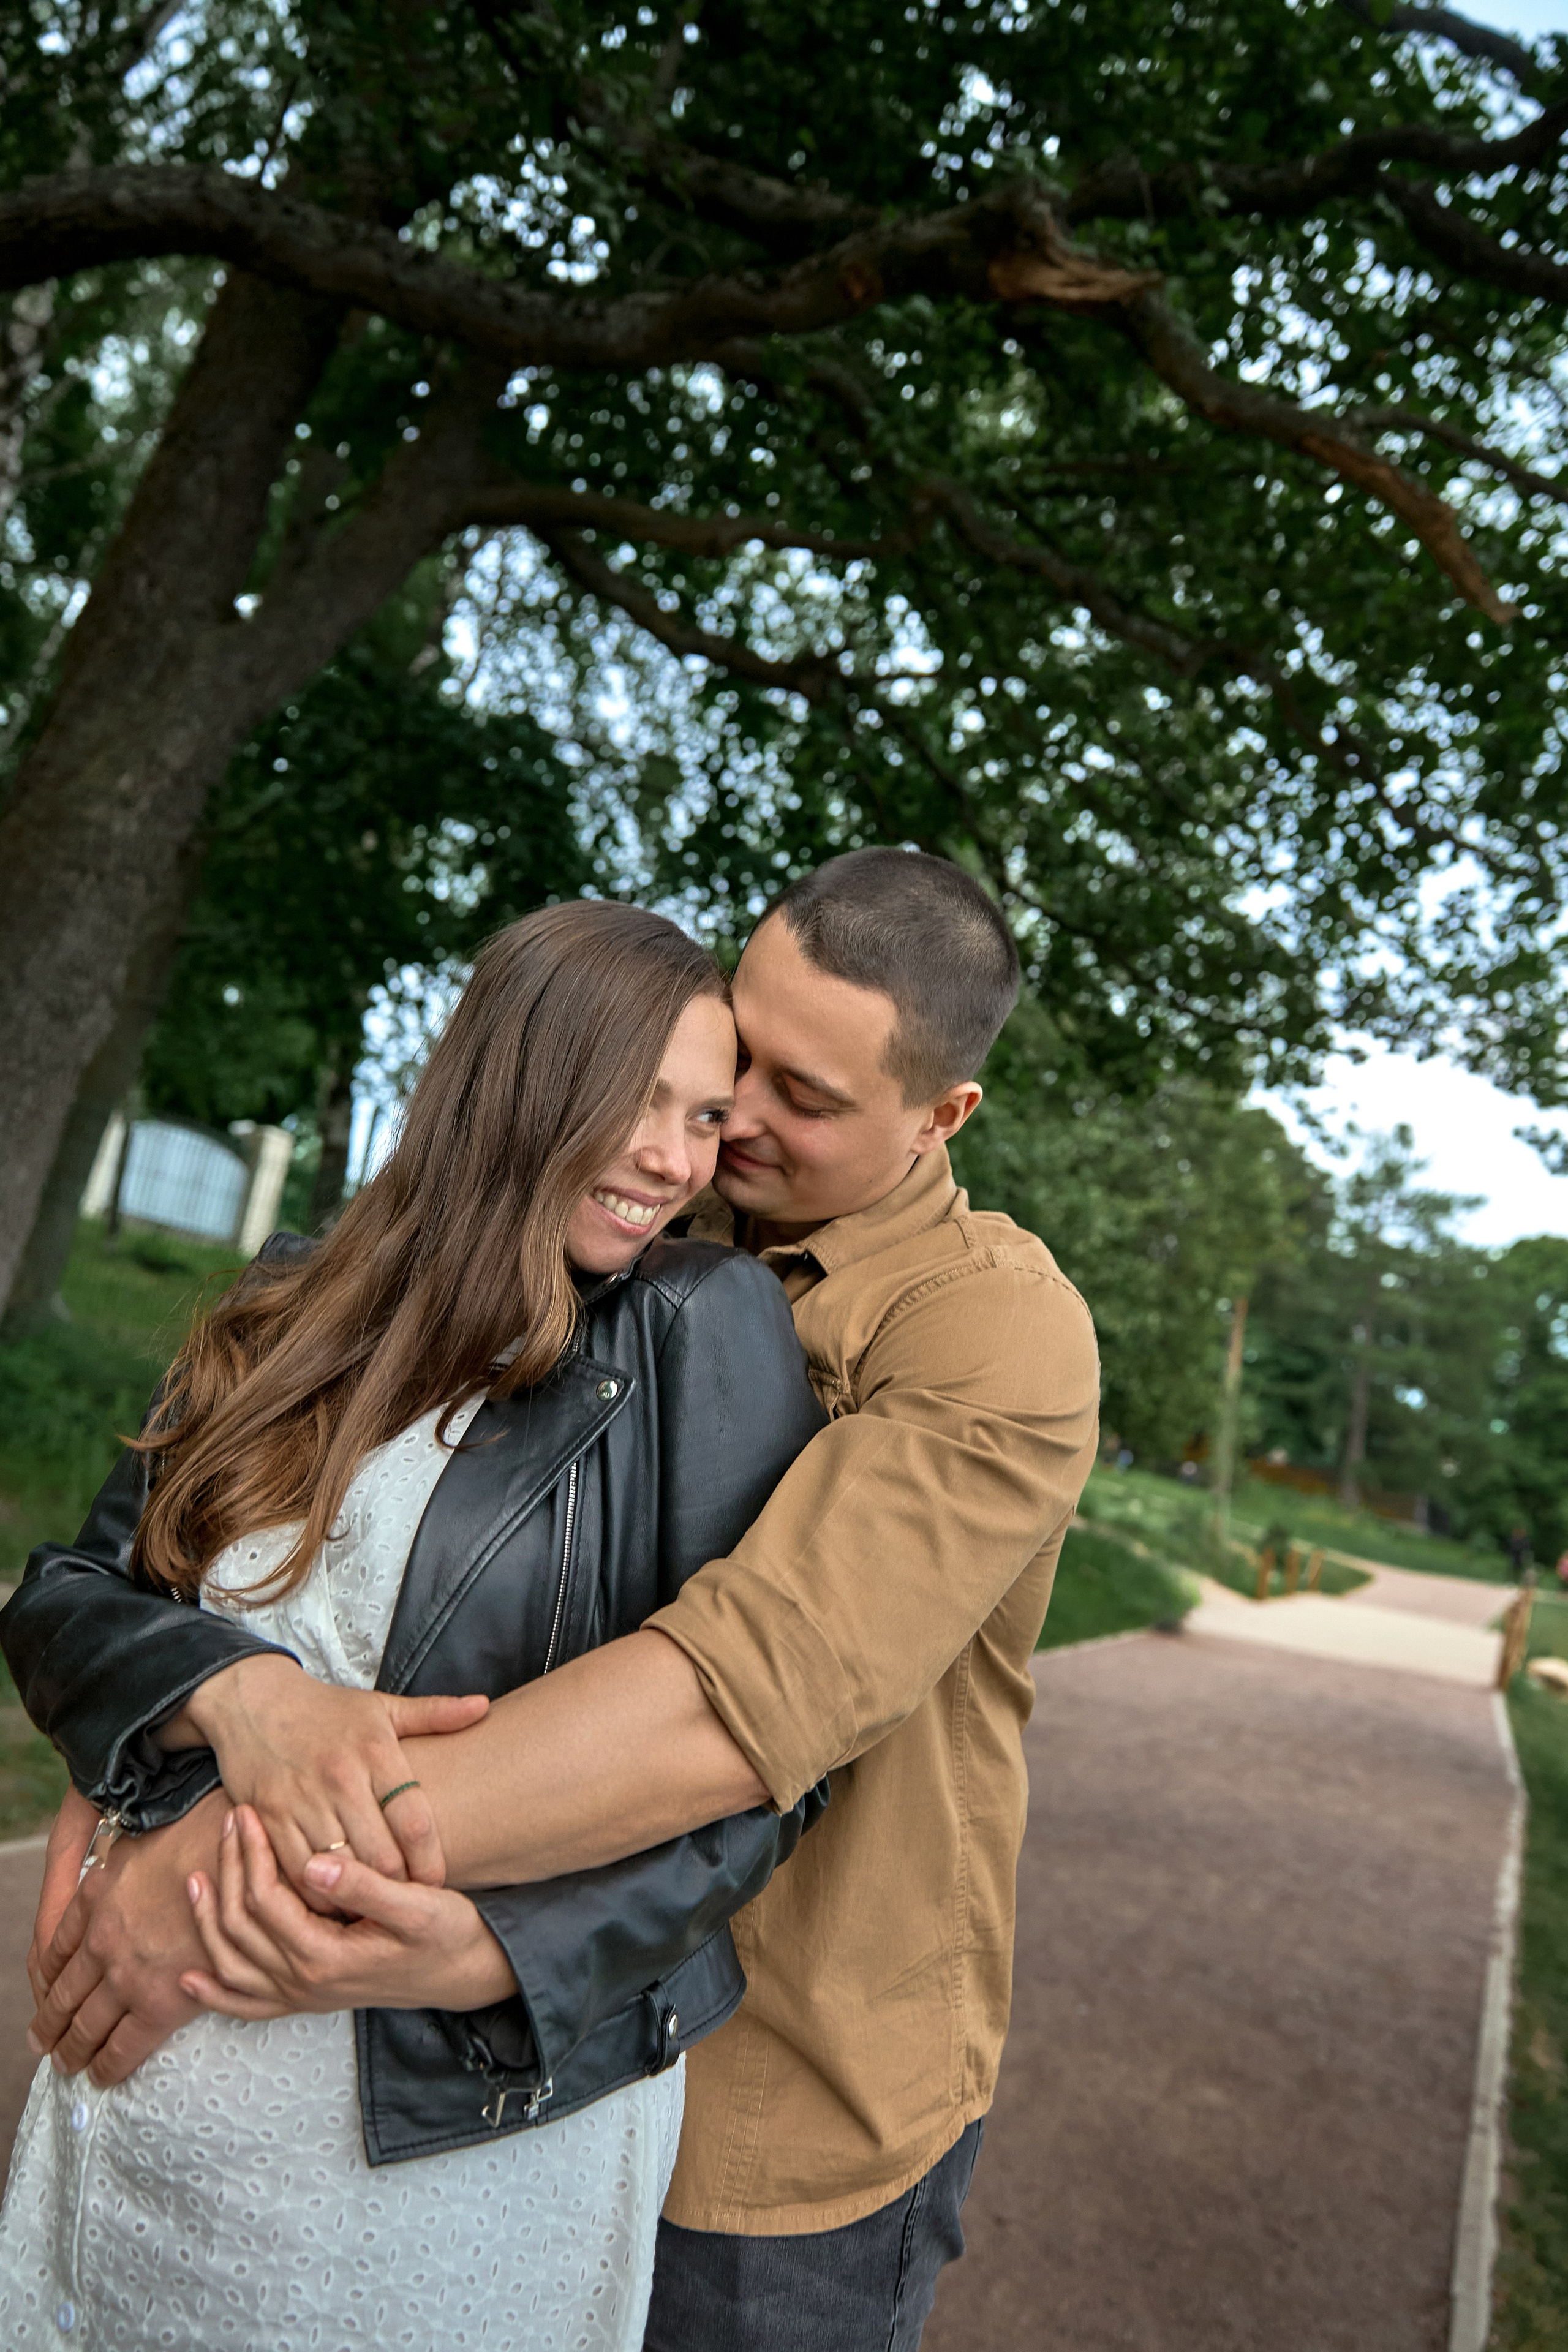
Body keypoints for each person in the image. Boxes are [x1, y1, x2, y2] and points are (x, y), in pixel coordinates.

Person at [17, 848, 1101, 2351]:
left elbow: (722, 1713)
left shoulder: (990, 1332)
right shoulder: (612, 1238)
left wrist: (207, 1868)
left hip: (773, 2103)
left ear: (942, 1116)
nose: (722, 1136)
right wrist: (200, 1696)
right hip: (437, 2063)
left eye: (800, 1099)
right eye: (732, 1064)